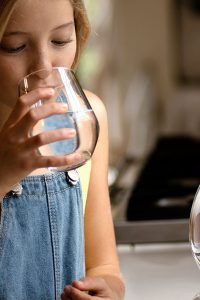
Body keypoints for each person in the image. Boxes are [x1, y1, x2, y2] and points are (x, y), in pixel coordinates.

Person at [0, 0, 125, 299]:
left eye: (60, 40)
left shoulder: (87, 119)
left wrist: (108, 289)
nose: (44, 68)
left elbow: (105, 266)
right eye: (15, 46)